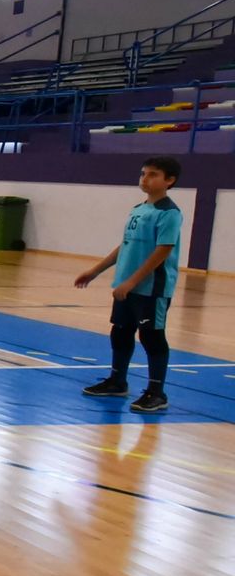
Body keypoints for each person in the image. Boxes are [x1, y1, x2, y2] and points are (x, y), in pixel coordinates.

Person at [74, 156, 184, 413]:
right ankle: (117, 380)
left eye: (153, 174)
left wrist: (134, 281)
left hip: (151, 289)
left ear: (169, 180)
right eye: (143, 173)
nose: (145, 179)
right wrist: (95, 271)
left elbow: (162, 251)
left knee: (152, 337)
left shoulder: (169, 213)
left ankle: (157, 392)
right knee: (121, 331)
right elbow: (124, 246)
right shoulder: (138, 209)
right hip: (127, 286)